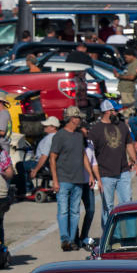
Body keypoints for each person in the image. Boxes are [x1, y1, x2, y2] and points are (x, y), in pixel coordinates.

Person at [90, 100, 137, 224]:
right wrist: (95, 176)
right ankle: (109, 238)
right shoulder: (95, 130)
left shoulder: (122, 126)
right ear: (107, 111)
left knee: (127, 205)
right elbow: (91, 154)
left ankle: (129, 236)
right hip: (105, 174)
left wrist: (135, 161)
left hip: (123, 172)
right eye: (115, 110)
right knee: (108, 207)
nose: (117, 113)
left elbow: (129, 144)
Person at [49, 106, 91, 250]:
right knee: (63, 210)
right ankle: (65, 239)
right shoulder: (59, 136)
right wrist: (55, 180)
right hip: (63, 179)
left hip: (78, 179)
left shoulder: (79, 135)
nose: (80, 120)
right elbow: (52, 158)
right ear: (72, 118)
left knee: (75, 211)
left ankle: (72, 239)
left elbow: (83, 155)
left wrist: (90, 174)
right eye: (78, 118)